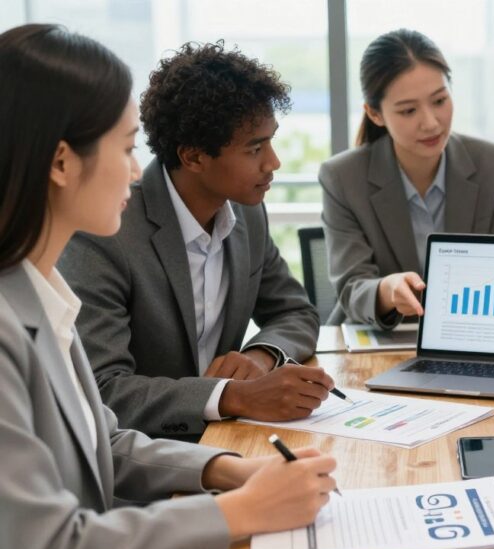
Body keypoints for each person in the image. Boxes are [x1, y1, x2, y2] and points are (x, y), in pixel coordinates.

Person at [0, 24, 336, 549]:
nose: (137, 170)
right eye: (128, 148)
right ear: (62, 163)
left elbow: (101, 442)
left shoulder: (41, 294)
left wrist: (232, 469)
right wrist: (241, 510)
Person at [59, 41, 329, 440]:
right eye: (255, 147)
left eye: (271, 142)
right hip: (144, 458)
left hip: (229, 439)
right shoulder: (106, 232)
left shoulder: (248, 213)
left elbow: (296, 312)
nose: (273, 163)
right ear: (194, 157)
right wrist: (231, 396)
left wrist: (261, 355)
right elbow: (104, 389)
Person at [320, 29, 494, 328]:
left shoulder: (492, 163)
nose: (431, 122)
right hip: (381, 335)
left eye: (439, 101)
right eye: (408, 110)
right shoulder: (343, 177)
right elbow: (352, 286)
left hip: (469, 332)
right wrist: (387, 290)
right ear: (375, 114)